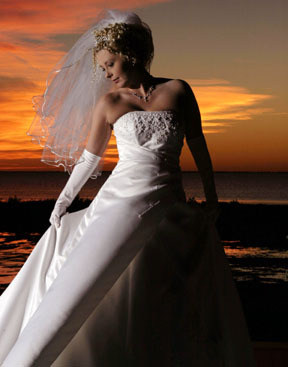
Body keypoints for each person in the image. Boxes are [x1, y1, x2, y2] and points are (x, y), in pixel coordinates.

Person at [0, 9, 255, 367]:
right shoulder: (109, 103)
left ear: (130, 53)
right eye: (103, 67)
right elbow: (90, 161)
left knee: (160, 288)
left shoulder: (178, 90)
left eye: (110, 64)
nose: (105, 73)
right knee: (93, 279)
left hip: (169, 202)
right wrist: (62, 202)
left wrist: (212, 198)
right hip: (120, 200)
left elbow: (199, 145)